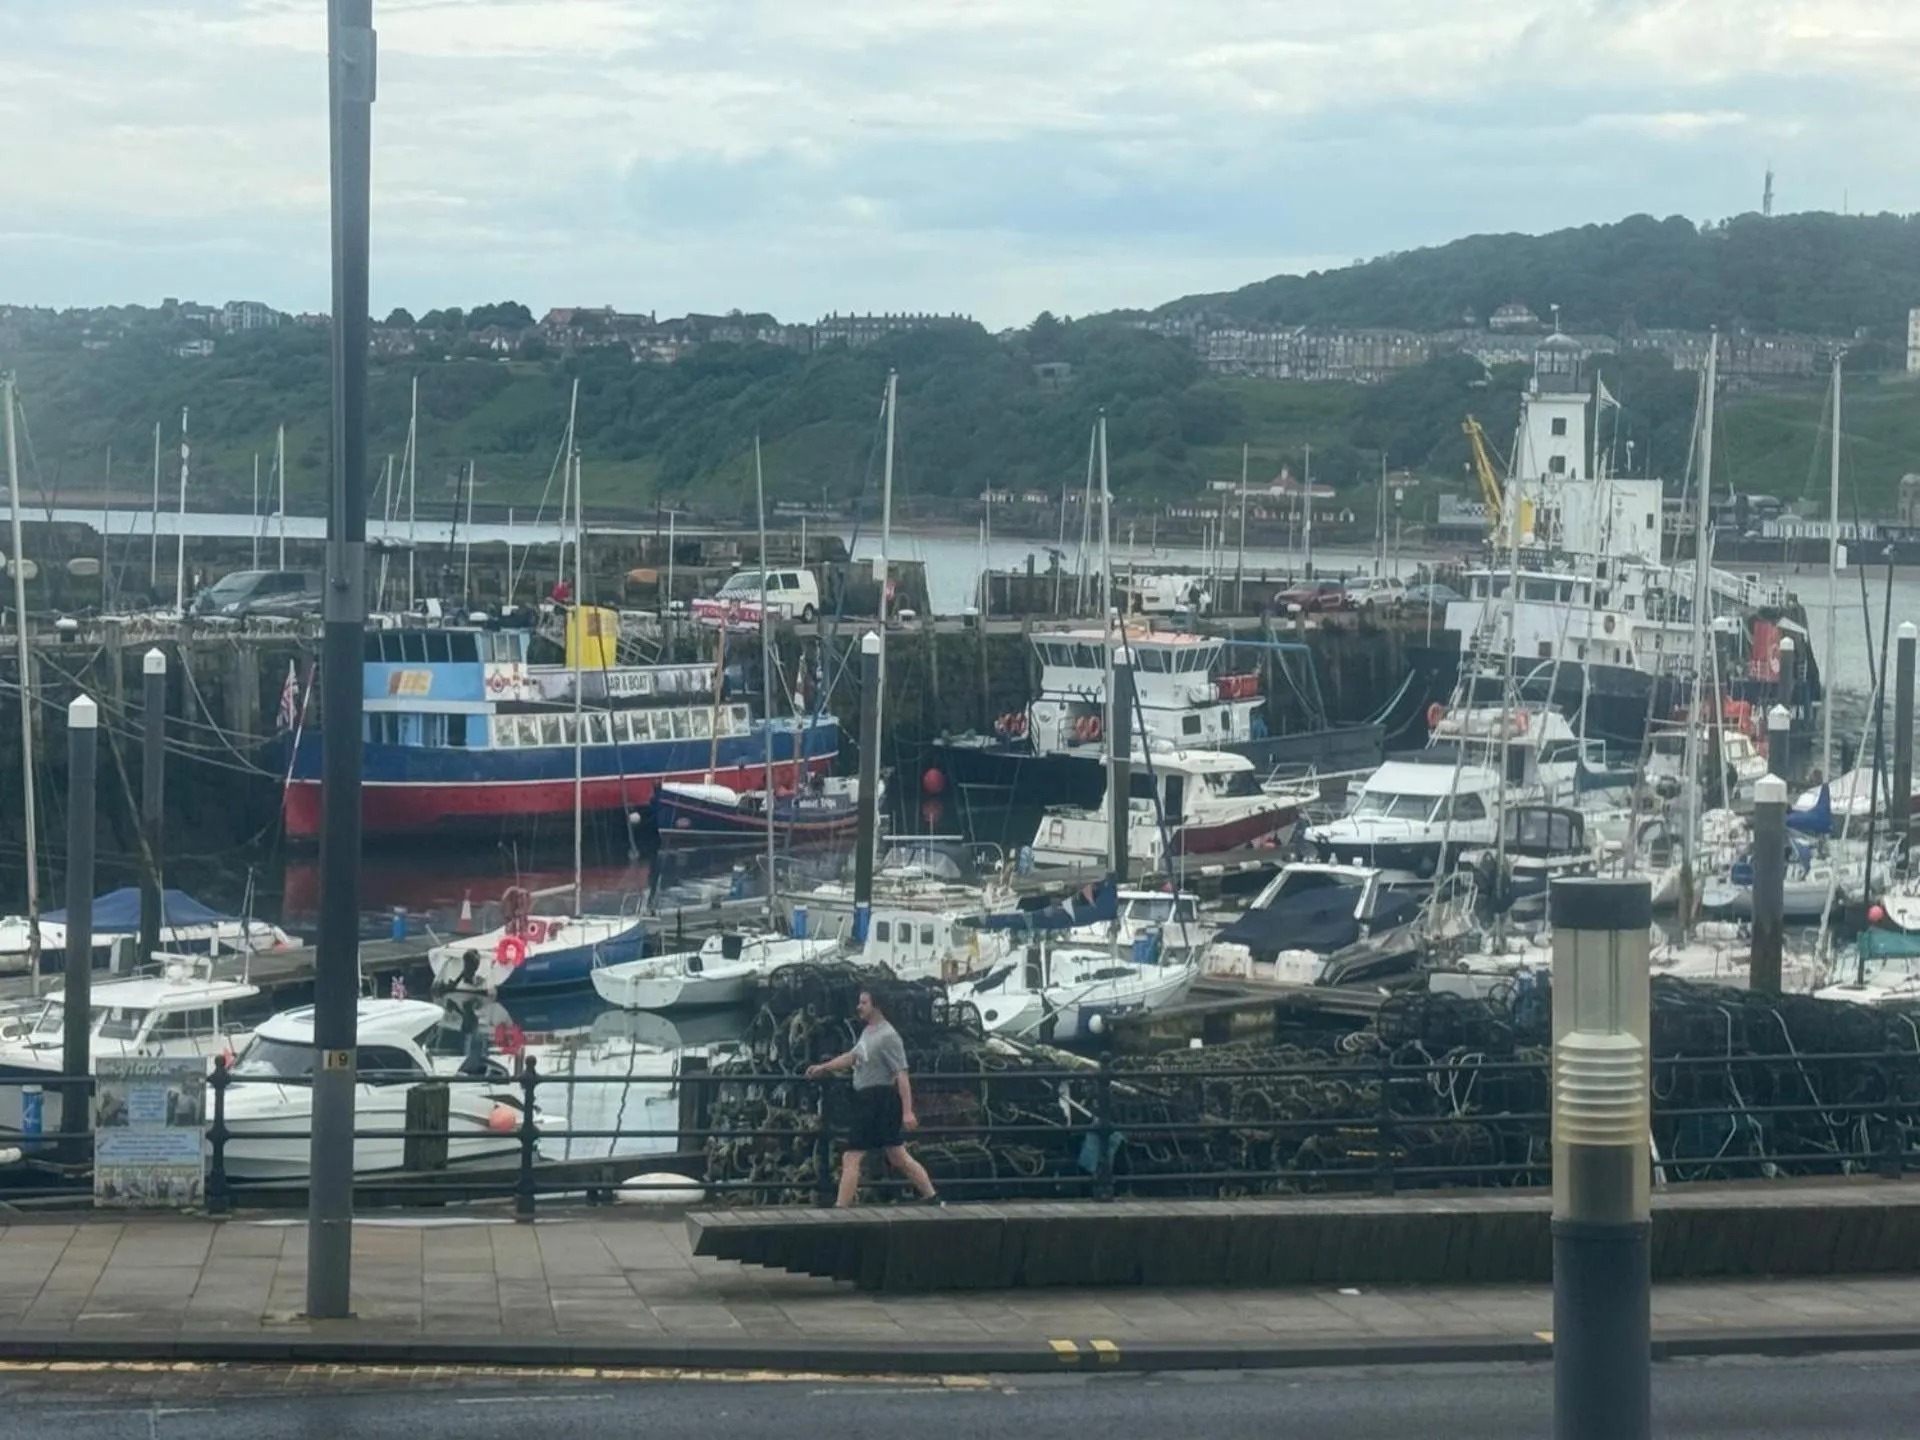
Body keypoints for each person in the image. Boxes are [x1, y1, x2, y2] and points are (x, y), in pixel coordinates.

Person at [806, 990, 942, 1207]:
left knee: (852, 1156)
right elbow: (853, 1056)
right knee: (897, 1155)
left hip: (878, 1099)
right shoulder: (869, 1032)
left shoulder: (889, 1036)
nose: (859, 1007)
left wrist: (908, 1111)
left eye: (863, 1003)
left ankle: (841, 1208)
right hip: (869, 1099)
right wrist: (824, 1067)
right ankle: (932, 1196)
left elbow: (901, 1074)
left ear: (876, 1006)